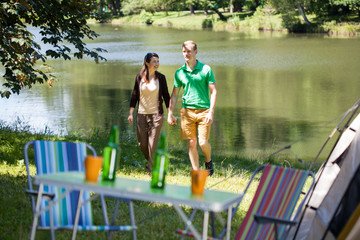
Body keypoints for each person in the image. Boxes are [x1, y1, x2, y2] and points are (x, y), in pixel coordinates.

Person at [167, 40, 217, 176]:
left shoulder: (206, 69)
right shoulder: (179, 72)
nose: (186, 54)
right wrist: (170, 112)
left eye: (189, 51)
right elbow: (175, 94)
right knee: (191, 143)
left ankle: (208, 161)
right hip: (187, 111)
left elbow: (214, 91)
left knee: (202, 142)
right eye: (184, 51)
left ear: (195, 52)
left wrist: (211, 111)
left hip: (204, 111)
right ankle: (196, 172)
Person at [128, 52, 170, 173]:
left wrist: (170, 113)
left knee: (153, 143)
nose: (157, 64)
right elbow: (134, 95)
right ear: (147, 63)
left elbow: (166, 96)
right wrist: (131, 113)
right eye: (154, 61)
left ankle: (152, 169)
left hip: (156, 115)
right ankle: (152, 161)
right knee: (142, 144)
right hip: (141, 114)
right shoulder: (139, 77)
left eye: (158, 61)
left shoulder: (161, 78)